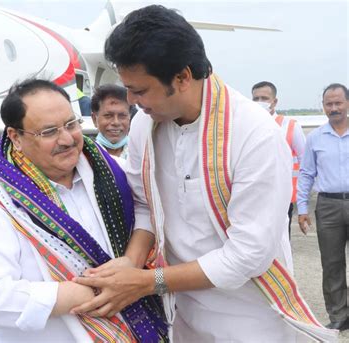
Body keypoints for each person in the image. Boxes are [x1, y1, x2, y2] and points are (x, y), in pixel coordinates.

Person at [72, 5, 336, 342]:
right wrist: (132, 262)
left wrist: (145, 282)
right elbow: (145, 206)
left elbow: (247, 255)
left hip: (248, 314)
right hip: (181, 311)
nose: (133, 103)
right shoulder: (144, 126)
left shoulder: (255, 135)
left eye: (140, 90)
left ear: (181, 77)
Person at [0, 78, 168, 342]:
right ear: (15, 137)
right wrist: (83, 293)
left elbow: (147, 210)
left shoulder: (114, 172)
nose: (67, 139)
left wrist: (130, 264)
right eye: (49, 132)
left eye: (71, 124)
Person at [297, 83, 349, 330]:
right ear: (323, 107)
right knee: (332, 264)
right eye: (329, 104)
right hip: (328, 206)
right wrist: (302, 208)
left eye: (338, 103)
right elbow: (306, 174)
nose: (334, 108)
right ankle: (339, 316)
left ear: (347, 103)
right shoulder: (315, 137)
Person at [252, 81, 306, 236]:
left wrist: (302, 197)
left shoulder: (290, 125)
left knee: (280, 238)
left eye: (264, 98)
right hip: (255, 194)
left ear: (274, 101)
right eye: (256, 99)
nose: (260, 102)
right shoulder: (249, 124)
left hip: (282, 195)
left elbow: (305, 161)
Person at [91, 84, 132, 160]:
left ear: (129, 118)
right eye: (108, 115)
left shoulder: (142, 153)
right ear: (94, 119)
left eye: (122, 115)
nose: (116, 122)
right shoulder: (87, 155)